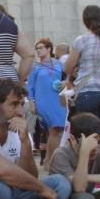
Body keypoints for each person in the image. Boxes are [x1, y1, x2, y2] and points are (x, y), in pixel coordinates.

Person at [64, 5, 100, 167]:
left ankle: (90, 172)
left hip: (88, 92)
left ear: (85, 20)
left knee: (87, 135)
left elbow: (67, 68)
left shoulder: (81, 40)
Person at [27, 38, 66, 170]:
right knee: (54, 128)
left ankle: (49, 161)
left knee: (55, 130)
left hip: (58, 100)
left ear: (49, 49)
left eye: (41, 47)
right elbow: (30, 87)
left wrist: (64, 84)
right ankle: (51, 161)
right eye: (37, 48)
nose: (38, 50)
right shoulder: (36, 66)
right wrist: (31, 102)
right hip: (43, 100)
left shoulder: (59, 64)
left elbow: (68, 78)